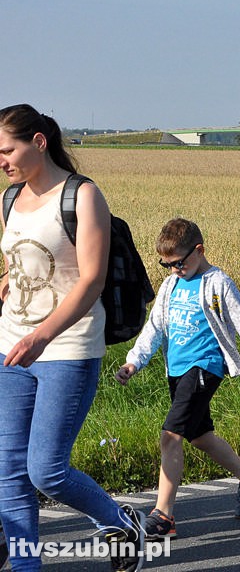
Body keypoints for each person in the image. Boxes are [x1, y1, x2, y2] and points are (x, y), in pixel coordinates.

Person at [0, 104, 143, 572]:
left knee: (46, 470)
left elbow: (90, 281)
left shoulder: (82, 196)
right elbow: (20, 266)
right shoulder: (10, 199)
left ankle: (121, 521)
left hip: (66, 346)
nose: (2, 161)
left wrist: (41, 336)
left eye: (7, 150)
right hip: (11, 345)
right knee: (9, 474)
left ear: (38, 142)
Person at [117, 218, 240, 541]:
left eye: (179, 262)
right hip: (176, 370)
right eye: (167, 264)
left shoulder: (219, 283)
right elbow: (155, 329)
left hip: (205, 367)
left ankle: (163, 516)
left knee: (170, 435)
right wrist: (134, 361)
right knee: (200, 436)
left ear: (199, 250)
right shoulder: (170, 286)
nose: (175, 269)